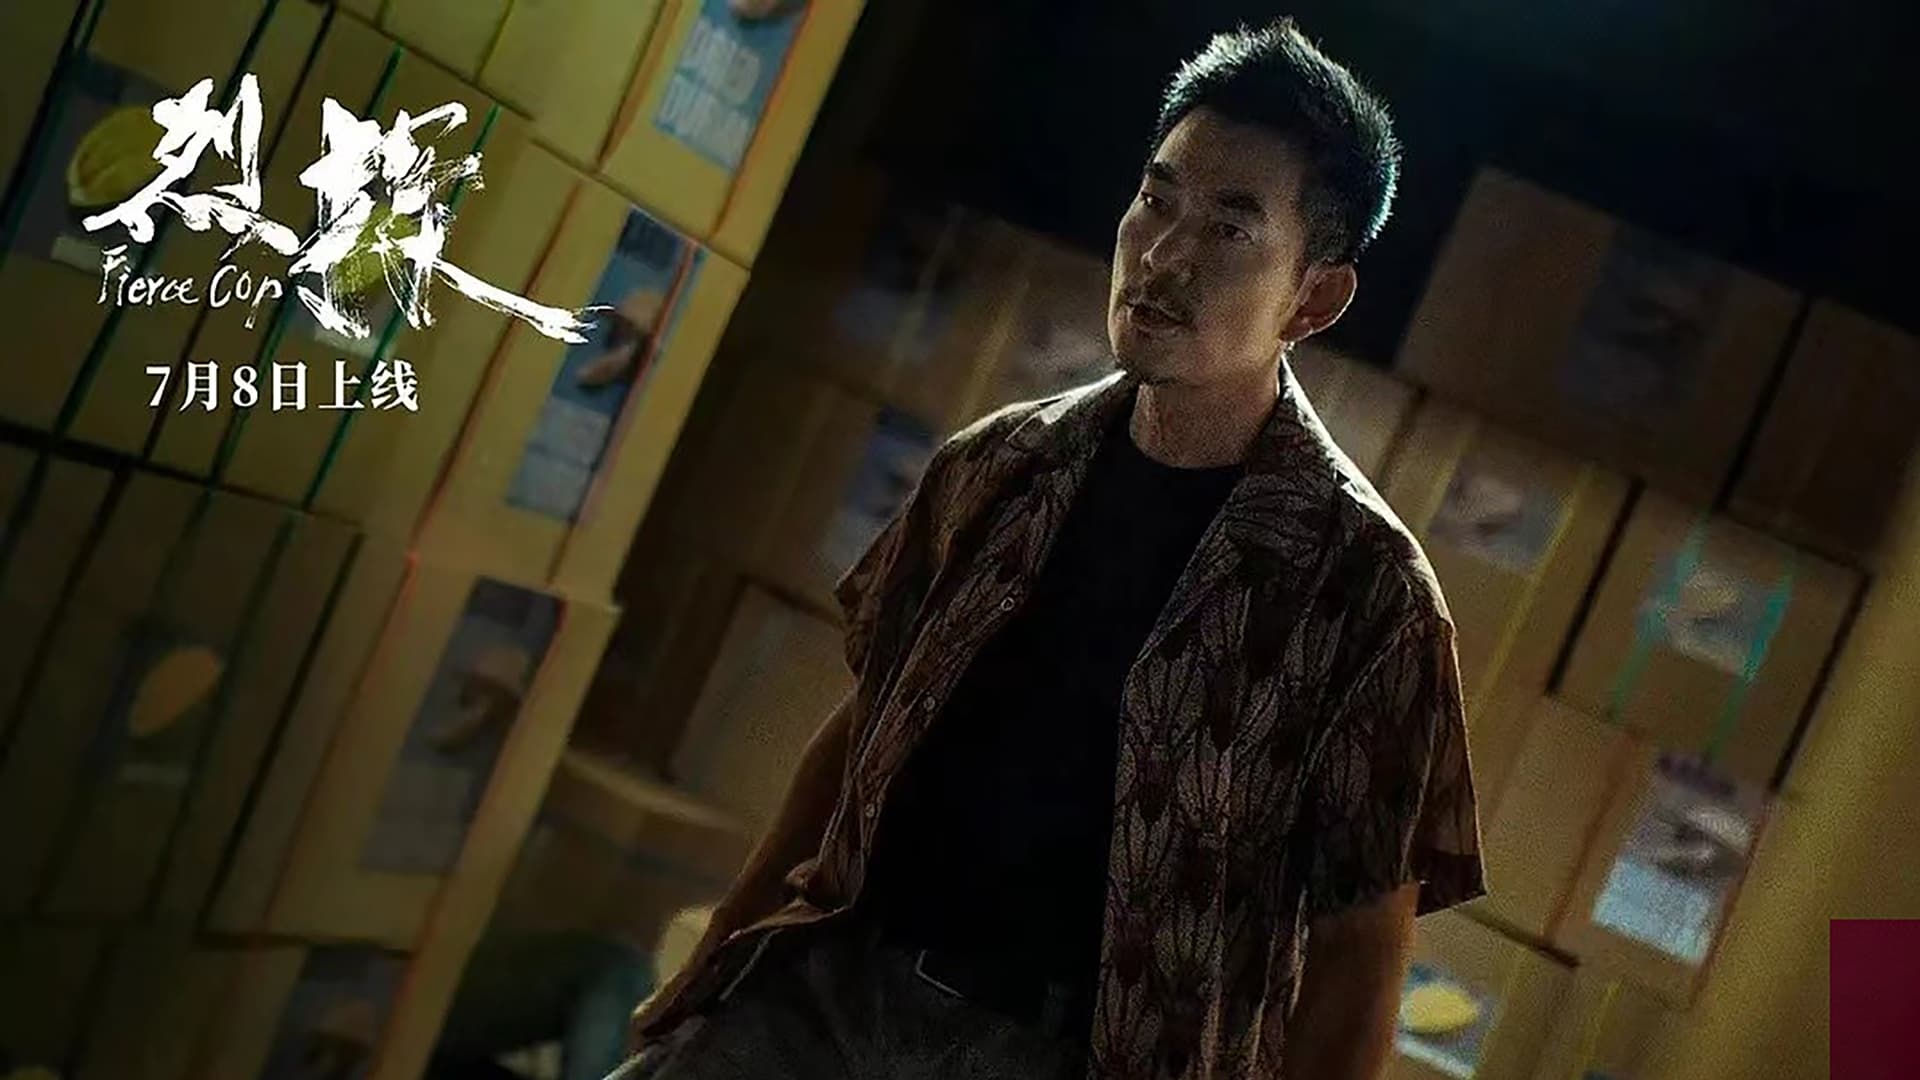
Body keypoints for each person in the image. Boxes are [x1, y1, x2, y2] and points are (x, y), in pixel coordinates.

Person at [613, 17, 1484, 1080]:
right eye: (1156, 200)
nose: (1163, 256)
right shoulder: (998, 466)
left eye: (1229, 228)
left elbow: (1358, 955)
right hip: (831, 994)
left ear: (1314, 298)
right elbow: (860, 729)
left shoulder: (1366, 592)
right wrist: (718, 956)